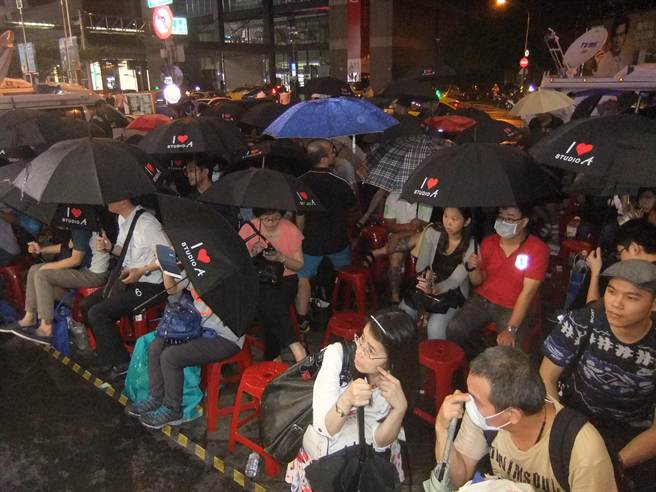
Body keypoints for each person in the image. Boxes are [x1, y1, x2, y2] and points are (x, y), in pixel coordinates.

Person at [429, 346, 616, 492]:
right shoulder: (485, 419)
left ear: (512, 415)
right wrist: (442, 429)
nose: (467, 401)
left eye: (476, 399)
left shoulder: (581, 448)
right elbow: (458, 478)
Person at [540, 260, 656, 490]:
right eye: (611, 291)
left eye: (631, 298)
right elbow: (546, 378)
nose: (616, 304)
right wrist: (560, 429)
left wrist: (613, 463)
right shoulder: (582, 322)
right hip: (572, 418)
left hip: (630, 434)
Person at [285, 308, 419, 490]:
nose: (360, 351)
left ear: (392, 360)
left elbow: (380, 443)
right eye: (362, 338)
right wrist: (346, 399)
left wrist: (399, 409)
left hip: (365, 461)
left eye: (370, 350)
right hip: (326, 461)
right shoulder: (337, 356)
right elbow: (324, 429)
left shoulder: (395, 382)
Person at [125, 261, 244, 429]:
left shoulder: (229, 278)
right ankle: (155, 397)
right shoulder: (198, 268)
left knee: (171, 356)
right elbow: (173, 289)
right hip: (196, 328)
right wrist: (167, 270)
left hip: (225, 337)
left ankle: (172, 408)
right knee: (155, 346)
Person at [79, 199, 168, 379]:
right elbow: (124, 249)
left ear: (124, 200)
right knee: (86, 305)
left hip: (150, 284)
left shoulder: (148, 224)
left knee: (98, 312)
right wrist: (109, 247)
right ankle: (106, 353)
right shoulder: (122, 218)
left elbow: (168, 256)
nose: (106, 202)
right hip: (129, 278)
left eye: (111, 198)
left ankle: (122, 362)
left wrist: (142, 270)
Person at [447, 206, 549, 355]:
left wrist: (511, 329)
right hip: (483, 300)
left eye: (510, 218)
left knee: (511, 349)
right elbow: (477, 282)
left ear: (524, 222)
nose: (503, 222)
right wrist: (472, 268)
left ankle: (497, 367)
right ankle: (478, 360)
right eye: (501, 217)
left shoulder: (537, 249)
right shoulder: (489, 242)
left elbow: (527, 294)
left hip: (512, 307)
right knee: (454, 328)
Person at [4, 226, 110, 344]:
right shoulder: (78, 224)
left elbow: (76, 260)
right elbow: (68, 246)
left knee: (42, 275)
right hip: (85, 269)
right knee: (34, 269)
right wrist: (41, 249)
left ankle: (46, 329)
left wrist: (46, 267)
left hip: (94, 274)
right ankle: (29, 317)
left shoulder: (81, 224)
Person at [295, 139, 357, 331]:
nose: (334, 154)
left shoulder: (300, 183)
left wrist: (300, 238)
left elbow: (300, 216)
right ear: (323, 159)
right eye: (332, 152)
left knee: (302, 278)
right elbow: (352, 211)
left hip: (311, 243)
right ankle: (348, 311)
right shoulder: (340, 183)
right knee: (348, 275)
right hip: (338, 243)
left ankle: (302, 319)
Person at [239, 208, 307, 362]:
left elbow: (299, 265)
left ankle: (274, 358)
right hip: (258, 279)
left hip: (286, 279)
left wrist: (281, 257)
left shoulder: (290, 230)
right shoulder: (248, 228)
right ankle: (295, 345)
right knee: (270, 302)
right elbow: (239, 262)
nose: (270, 222)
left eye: (275, 218)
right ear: (258, 216)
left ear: (282, 215)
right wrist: (252, 254)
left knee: (268, 304)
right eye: (266, 218)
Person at [399, 207, 476, 339]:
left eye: (454, 219)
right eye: (445, 216)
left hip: (453, 293)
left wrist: (434, 288)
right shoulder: (433, 233)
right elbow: (421, 266)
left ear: (467, 222)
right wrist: (427, 281)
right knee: (402, 315)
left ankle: (435, 356)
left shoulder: (471, 245)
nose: (448, 223)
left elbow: (455, 280)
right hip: (429, 282)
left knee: (435, 326)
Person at [585, 219, 656, 304]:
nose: (620, 259)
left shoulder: (639, 279)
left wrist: (595, 273)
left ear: (634, 249)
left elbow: (593, 314)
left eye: (620, 253)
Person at [184, 157, 239, 230]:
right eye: (187, 172)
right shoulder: (189, 199)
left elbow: (233, 222)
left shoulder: (223, 195)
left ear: (205, 172)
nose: (189, 175)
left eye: (191, 171)